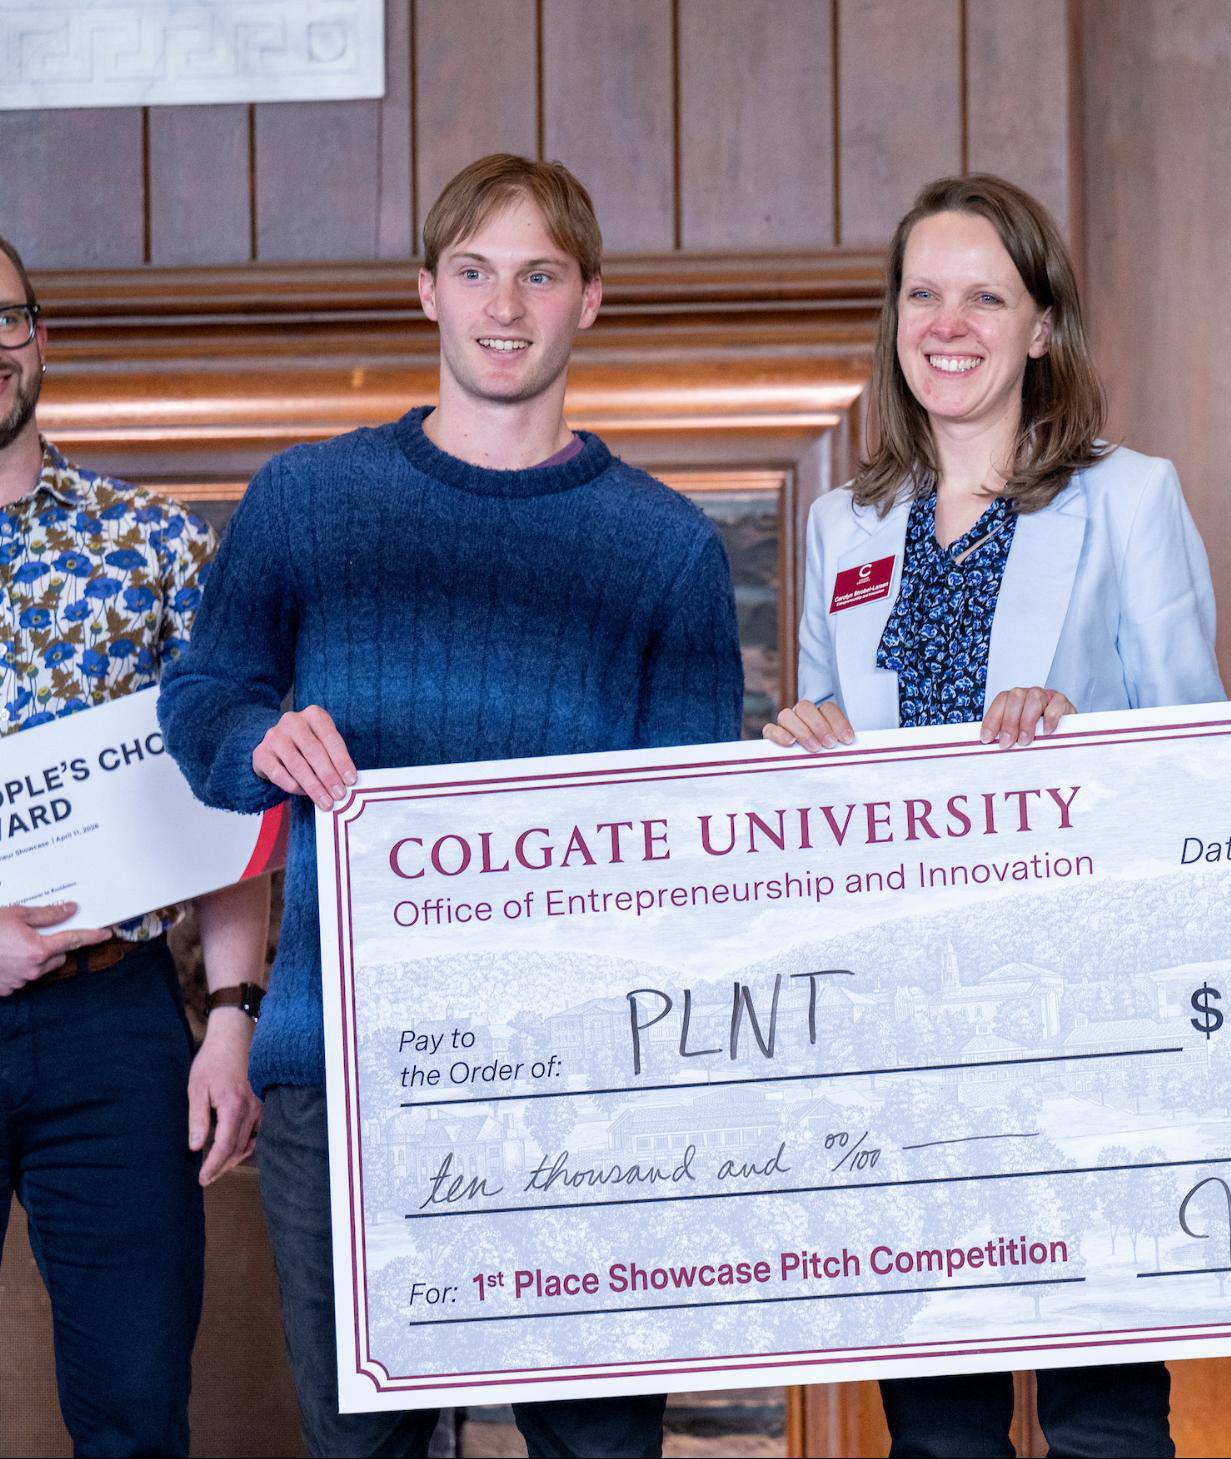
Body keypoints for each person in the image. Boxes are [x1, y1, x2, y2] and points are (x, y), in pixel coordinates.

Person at [158, 154, 743, 1459]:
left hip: (585, 1089)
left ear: (588, 299)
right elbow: (199, 703)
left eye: (539, 274)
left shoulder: (666, 549)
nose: (503, 304)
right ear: (425, 289)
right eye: (474, 270)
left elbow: (693, 846)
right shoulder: (304, 503)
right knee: (367, 1447)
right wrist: (259, 734)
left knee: (597, 1447)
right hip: (340, 1067)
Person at [766, 173, 1223, 1458]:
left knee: (1105, 1416)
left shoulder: (1128, 497)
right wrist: (805, 738)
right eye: (923, 293)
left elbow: (1202, 753)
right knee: (939, 1422)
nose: (948, 322)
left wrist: (1087, 736)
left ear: (1040, 327)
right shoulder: (845, 520)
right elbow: (827, 752)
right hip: (903, 1022)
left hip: (1090, 1016)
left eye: (984, 294)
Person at [0, 212, 269, 1456]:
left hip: (117, 1026)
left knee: (140, 1413)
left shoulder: (154, 547)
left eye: (3, 317)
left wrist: (232, 1023)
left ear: (39, 332)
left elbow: (230, 805)